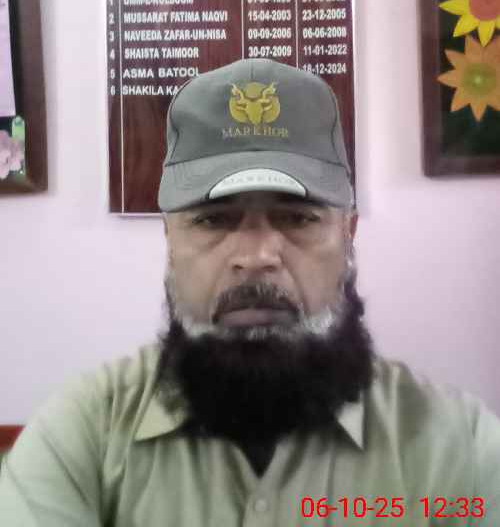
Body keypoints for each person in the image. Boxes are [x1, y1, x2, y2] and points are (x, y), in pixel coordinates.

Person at [1, 58, 499, 526]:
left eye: (297, 217)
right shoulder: (82, 437)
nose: (257, 255)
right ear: (170, 240)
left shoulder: (460, 448)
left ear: (349, 236)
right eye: (214, 219)